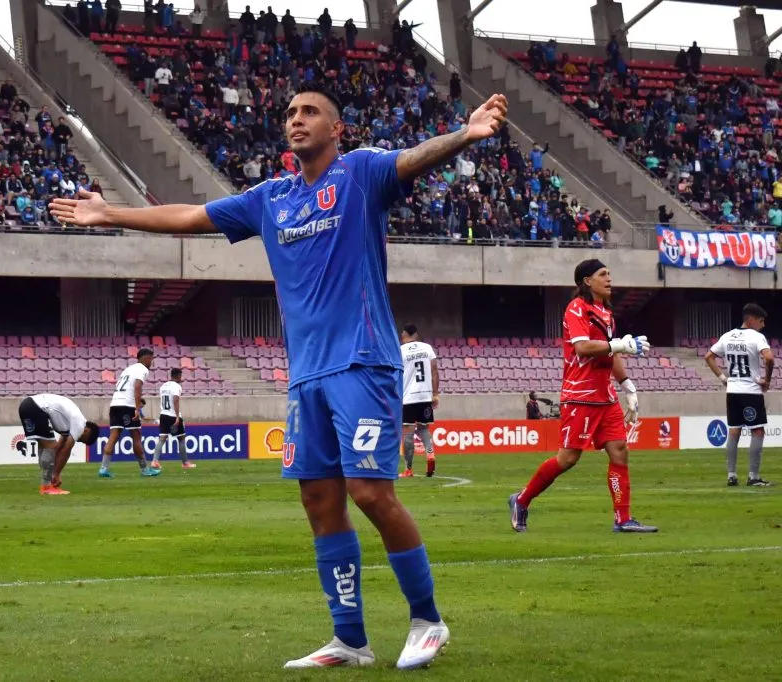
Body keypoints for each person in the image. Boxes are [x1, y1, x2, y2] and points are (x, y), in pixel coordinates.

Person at [51, 81, 510, 670]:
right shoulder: (270, 198)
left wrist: (464, 136)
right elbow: (191, 214)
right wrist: (109, 212)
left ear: (336, 128)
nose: (297, 119)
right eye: (291, 112)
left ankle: (427, 618)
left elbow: (410, 159)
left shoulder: (361, 175)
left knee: (371, 491)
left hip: (364, 361)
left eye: (311, 111)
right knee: (320, 500)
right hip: (306, 375)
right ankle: (350, 639)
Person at [508, 259, 658, 533]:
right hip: (580, 395)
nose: (609, 278)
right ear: (587, 281)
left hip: (606, 396)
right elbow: (583, 348)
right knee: (568, 458)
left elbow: (610, 352)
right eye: (603, 274)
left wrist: (628, 386)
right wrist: (619, 344)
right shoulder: (577, 308)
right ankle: (521, 499)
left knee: (619, 451)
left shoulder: (606, 313)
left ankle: (622, 519)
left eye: (609, 273)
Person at [704, 303, 774, 487]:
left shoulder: (727, 336)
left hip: (733, 390)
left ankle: (731, 475)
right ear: (751, 319)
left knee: (734, 431)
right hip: (750, 391)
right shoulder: (757, 337)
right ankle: (753, 476)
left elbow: (708, 356)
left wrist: (722, 377)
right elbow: (769, 357)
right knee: (757, 430)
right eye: (761, 321)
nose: (763, 325)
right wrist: (766, 380)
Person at [17, 393, 99, 495]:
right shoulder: (79, 424)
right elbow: (66, 450)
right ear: (87, 431)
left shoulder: (70, 423)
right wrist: (56, 474)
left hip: (26, 405)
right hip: (37, 408)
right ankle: (46, 487)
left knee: (45, 446)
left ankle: (46, 483)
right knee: (50, 446)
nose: (78, 440)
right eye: (82, 440)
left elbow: (60, 447)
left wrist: (54, 471)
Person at [100, 348, 161, 478]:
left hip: (115, 404)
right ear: (145, 358)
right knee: (136, 437)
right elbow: (137, 386)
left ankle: (103, 469)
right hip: (127, 405)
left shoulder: (128, 369)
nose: (152, 362)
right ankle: (145, 469)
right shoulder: (142, 369)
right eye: (151, 359)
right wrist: (137, 408)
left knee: (113, 436)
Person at [399, 324, 438, 478]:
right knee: (423, 429)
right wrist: (435, 393)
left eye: (402, 333)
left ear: (407, 334)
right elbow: (434, 369)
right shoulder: (427, 348)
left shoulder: (400, 350)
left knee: (408, 433)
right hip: (425, 395)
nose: (401, 335)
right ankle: (430, 454)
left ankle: (408, 469)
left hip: (408, 397)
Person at [153, 368, 196, 469]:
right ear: (177, 376)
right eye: (180, 376)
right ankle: (185, 463)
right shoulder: (176, 386)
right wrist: (177, 416)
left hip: (163, 414)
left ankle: (155, 461)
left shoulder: (163, 386)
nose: (181, 378)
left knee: (162, 438)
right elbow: (175, 400)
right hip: (173, 415)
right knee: (181, 438)